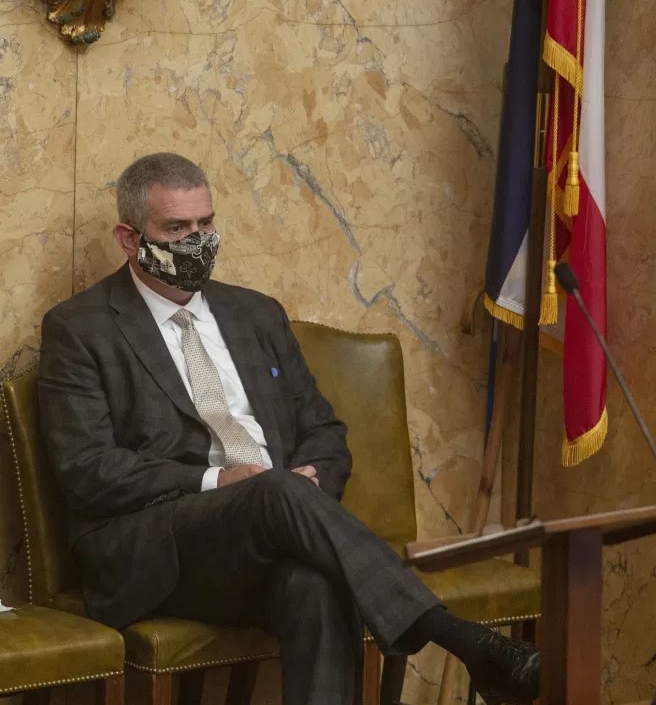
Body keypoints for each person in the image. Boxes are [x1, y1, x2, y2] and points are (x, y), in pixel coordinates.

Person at [37, 152, 540, 705]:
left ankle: (458, 640)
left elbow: (324, 431)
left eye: (205, 224)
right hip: (155, 549)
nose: (196, 241)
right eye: (176, 229)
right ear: (129, 239)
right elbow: (88, 472)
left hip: (269, 534)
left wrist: (310, 480)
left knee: (313, 585)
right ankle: (462, 639)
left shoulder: (256, 314)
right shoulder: (79, 328)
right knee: (273, 489)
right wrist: (221, 481)